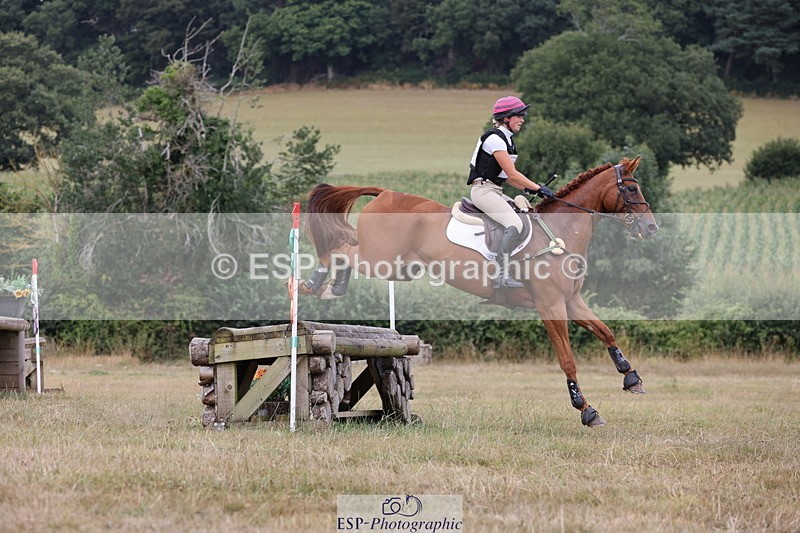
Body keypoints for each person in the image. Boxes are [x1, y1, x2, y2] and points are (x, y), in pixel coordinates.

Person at [467, 95, 556, 289]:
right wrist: (538, 187)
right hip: (483, 191)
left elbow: (508, 178)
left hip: (494, 191)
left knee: (525, 215)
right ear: (506, 118)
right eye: (519, 116)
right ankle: (499, 275)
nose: (522, 120)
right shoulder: (495, 139)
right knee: (514, 223)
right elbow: (513, 174)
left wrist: (534, 190)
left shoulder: (507, 141)